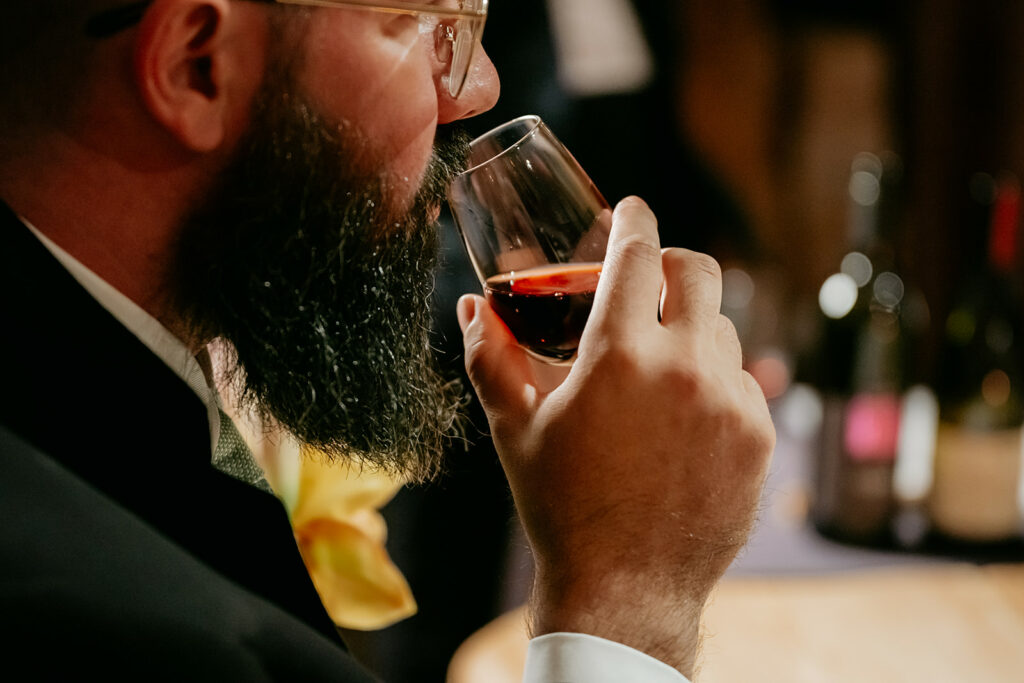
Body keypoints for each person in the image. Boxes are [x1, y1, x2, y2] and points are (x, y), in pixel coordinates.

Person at [0, 1, 775, 681]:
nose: (476, 89)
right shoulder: (105, 624)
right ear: (195, 63)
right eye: (423, 19)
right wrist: (627, 602)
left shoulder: (99, 376)